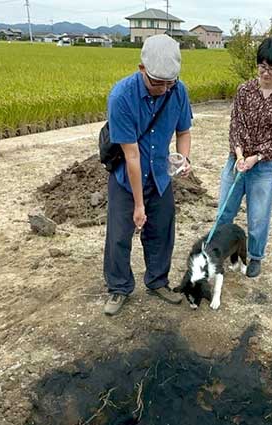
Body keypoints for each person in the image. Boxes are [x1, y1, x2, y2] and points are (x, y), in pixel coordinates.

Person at [103, 34, 193, 316]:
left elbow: (184, 131)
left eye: (170, 82)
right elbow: (132, 156)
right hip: (127, 178)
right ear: (142, 69)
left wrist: (183, 158)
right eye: (158, 83)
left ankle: (157, 281)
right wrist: (139, 205)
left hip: (160, 174)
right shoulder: (121, 97)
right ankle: (119, 287)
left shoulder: (178, 92)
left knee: (162, 232)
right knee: (119, 235)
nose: (165, 89)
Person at [215, 38, 272, 278]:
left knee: (258, 216)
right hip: (237, 161)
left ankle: (256, 256)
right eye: (262, 66)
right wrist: (239, 155)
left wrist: (255, 157)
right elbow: (236, 125)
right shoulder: (244, 90)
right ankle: (218, 251)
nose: (266, 72)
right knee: (224, 211)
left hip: (264, 166)